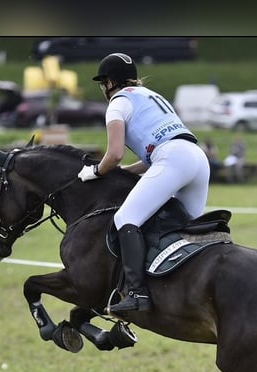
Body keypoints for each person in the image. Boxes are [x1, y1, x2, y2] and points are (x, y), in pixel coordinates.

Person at [78, 53, 210, 315]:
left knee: (125, 218)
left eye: (102, 83)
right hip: (197, 159)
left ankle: (137, 293)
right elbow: (157, 154)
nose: (103, 89)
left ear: (108, 83)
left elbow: (114, 155)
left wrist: (95, 171)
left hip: (172, 159)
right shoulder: (150, 95)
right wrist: (127, 171)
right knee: (186, 227)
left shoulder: (117, 103)